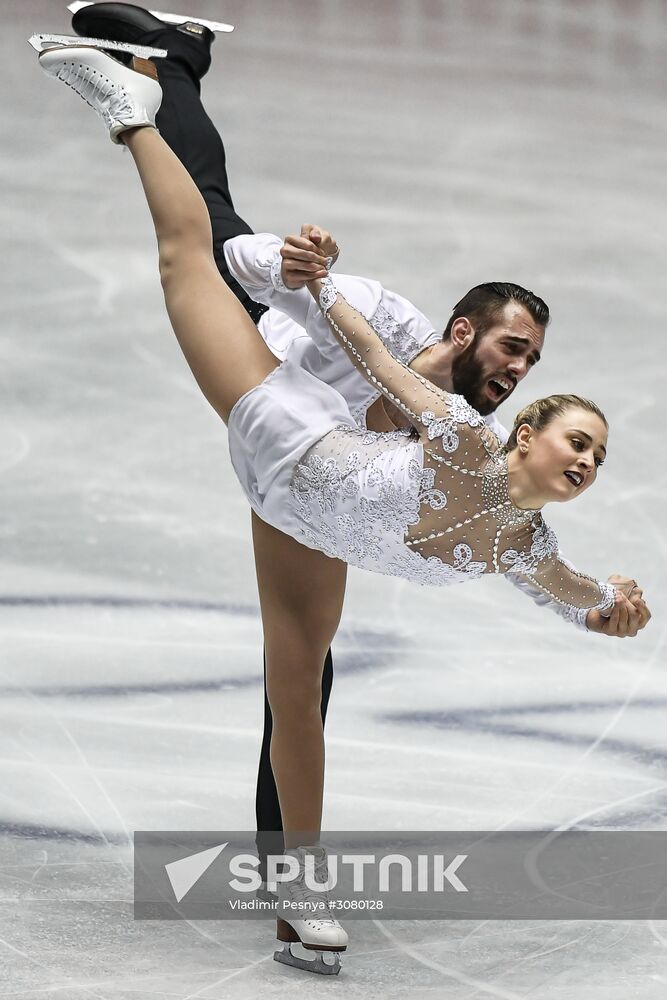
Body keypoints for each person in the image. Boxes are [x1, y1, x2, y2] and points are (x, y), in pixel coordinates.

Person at [38, 44, 650, 970]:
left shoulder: (526, 543)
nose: (587, 458)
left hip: (304, 522)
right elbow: (374, 360)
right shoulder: (460, 438)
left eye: (597, 455)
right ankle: (129, 109)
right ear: (526, 438)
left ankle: (300, 891)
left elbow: (568, 592)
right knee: (185, 256)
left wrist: (612, 609)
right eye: (576, 439)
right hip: (289, 436)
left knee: (298, 693)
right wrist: (318, 280)